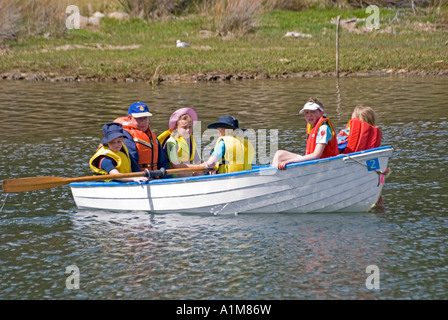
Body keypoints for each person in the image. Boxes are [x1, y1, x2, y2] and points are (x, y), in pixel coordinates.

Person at [272, 97, 339, 170]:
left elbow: (316, 155)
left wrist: (289, 161)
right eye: (306, 112)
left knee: (283, 158)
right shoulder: (312, 127)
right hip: (313, 163)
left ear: (321, 112)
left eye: (313, 112)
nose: (309, 115)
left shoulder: (324, 128)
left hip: (324, 165)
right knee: (279, 154)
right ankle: (274, 174)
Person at [114, 102, 170, 173]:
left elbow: (163, 161)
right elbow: (132, 161)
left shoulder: (152, 136)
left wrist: (167, 176)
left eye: (145, 118)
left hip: (154, 176)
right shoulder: (125, 135)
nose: (143, 122)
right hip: (138, 176)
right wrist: (140, 176)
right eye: (139, 119)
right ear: (130, 118)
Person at [158, 108, 203, 177]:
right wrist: (197, 166)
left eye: (190, 127)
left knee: (200, 172)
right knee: (186, 172)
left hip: (186, 171)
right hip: (172, 173)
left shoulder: (191, 140)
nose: (188, 130)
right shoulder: (171, 142)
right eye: (184, 128)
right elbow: (177, 166)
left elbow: (198, 161)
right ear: (176, 127)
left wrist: (205, 165)